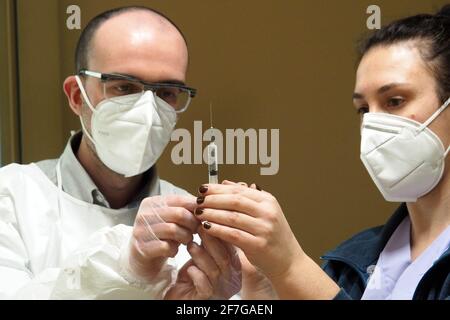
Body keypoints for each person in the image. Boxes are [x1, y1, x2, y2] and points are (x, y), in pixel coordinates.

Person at [194, 5, 450, 299]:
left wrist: (290, 266)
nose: (373, 125)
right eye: (363, 109)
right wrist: (260, 287)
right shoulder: (352, 259)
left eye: (394, 101)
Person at [0, 6, 241, 300]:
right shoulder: (11, 197)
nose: (148, 112)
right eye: (124, 87)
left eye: (166, 92)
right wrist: (125, 266)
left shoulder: (194, 225)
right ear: (77, 96)